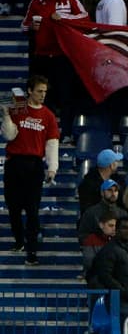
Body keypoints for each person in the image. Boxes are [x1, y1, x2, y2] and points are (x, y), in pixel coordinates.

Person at [2, 75, 59, 265]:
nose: (43, 95)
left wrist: (52, 168)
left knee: (33, 211)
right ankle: (19, 242)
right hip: (14, 162)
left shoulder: (49, 116)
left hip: (34, 166)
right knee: (14, 208)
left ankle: (32, 252)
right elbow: (9, 136)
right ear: (29, 91)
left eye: (45, 91)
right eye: (39, 91)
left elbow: (52, 144)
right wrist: (6, 116)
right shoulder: (17, 108)